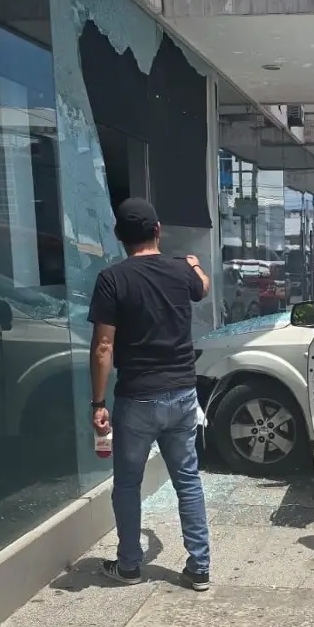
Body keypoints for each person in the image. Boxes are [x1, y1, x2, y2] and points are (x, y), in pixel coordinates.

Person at [87, 197, 213, 590]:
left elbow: (103, 347)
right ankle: (199, 566)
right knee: (187, 480)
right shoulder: (180, 271)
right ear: (157, 231)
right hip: (180, 393)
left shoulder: (112, 278)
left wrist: (98, 402)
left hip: (137, 398)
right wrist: (193, 263)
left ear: (119, 237)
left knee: (127, 483)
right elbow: (203, 288)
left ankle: (128, 566)